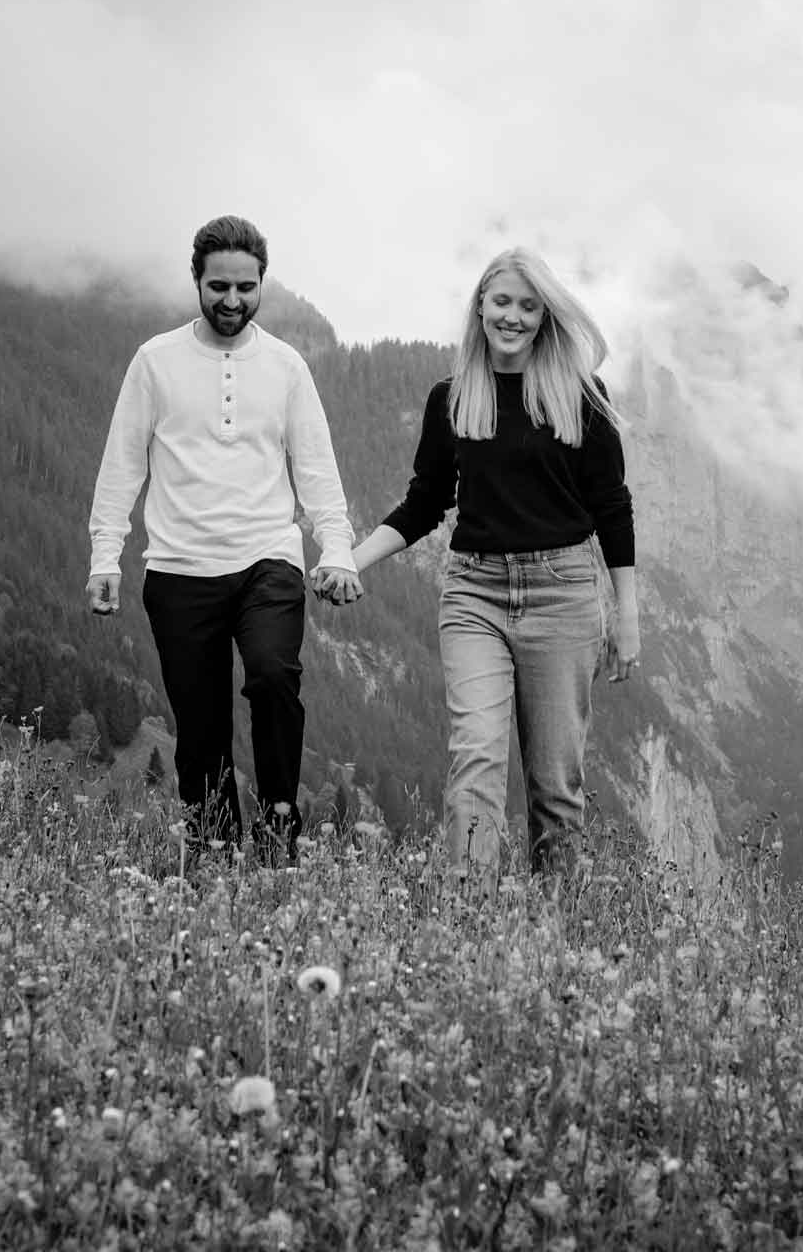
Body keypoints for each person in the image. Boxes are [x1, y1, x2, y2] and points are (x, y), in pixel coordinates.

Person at [346, 246, 639, 878]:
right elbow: (425, 503)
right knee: (475, 759)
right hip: (474, 594)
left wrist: (628, 616)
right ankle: (468, 936)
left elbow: (612, 506)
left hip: (564, 594)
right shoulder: (452, 397)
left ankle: (557, 943)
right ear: (479, 306)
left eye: (528, 306)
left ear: (545, 316)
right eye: (501, 301)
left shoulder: (581, 395)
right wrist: (351, 559)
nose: (513, 317)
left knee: (556, 784)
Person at [86, 214, 361, 861]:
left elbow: (316, 469)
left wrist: (339, 550)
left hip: (268, 556)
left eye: (245, 286)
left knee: (272, 678)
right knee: (201, 731)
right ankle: (213, 857)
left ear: (262, 283)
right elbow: (122, 462)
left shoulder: (287, 368)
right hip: (180, 569)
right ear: (197, 282)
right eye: (219, 287)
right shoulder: (156, 362)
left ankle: (275, 842)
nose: (232, 300)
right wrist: (106, 556)